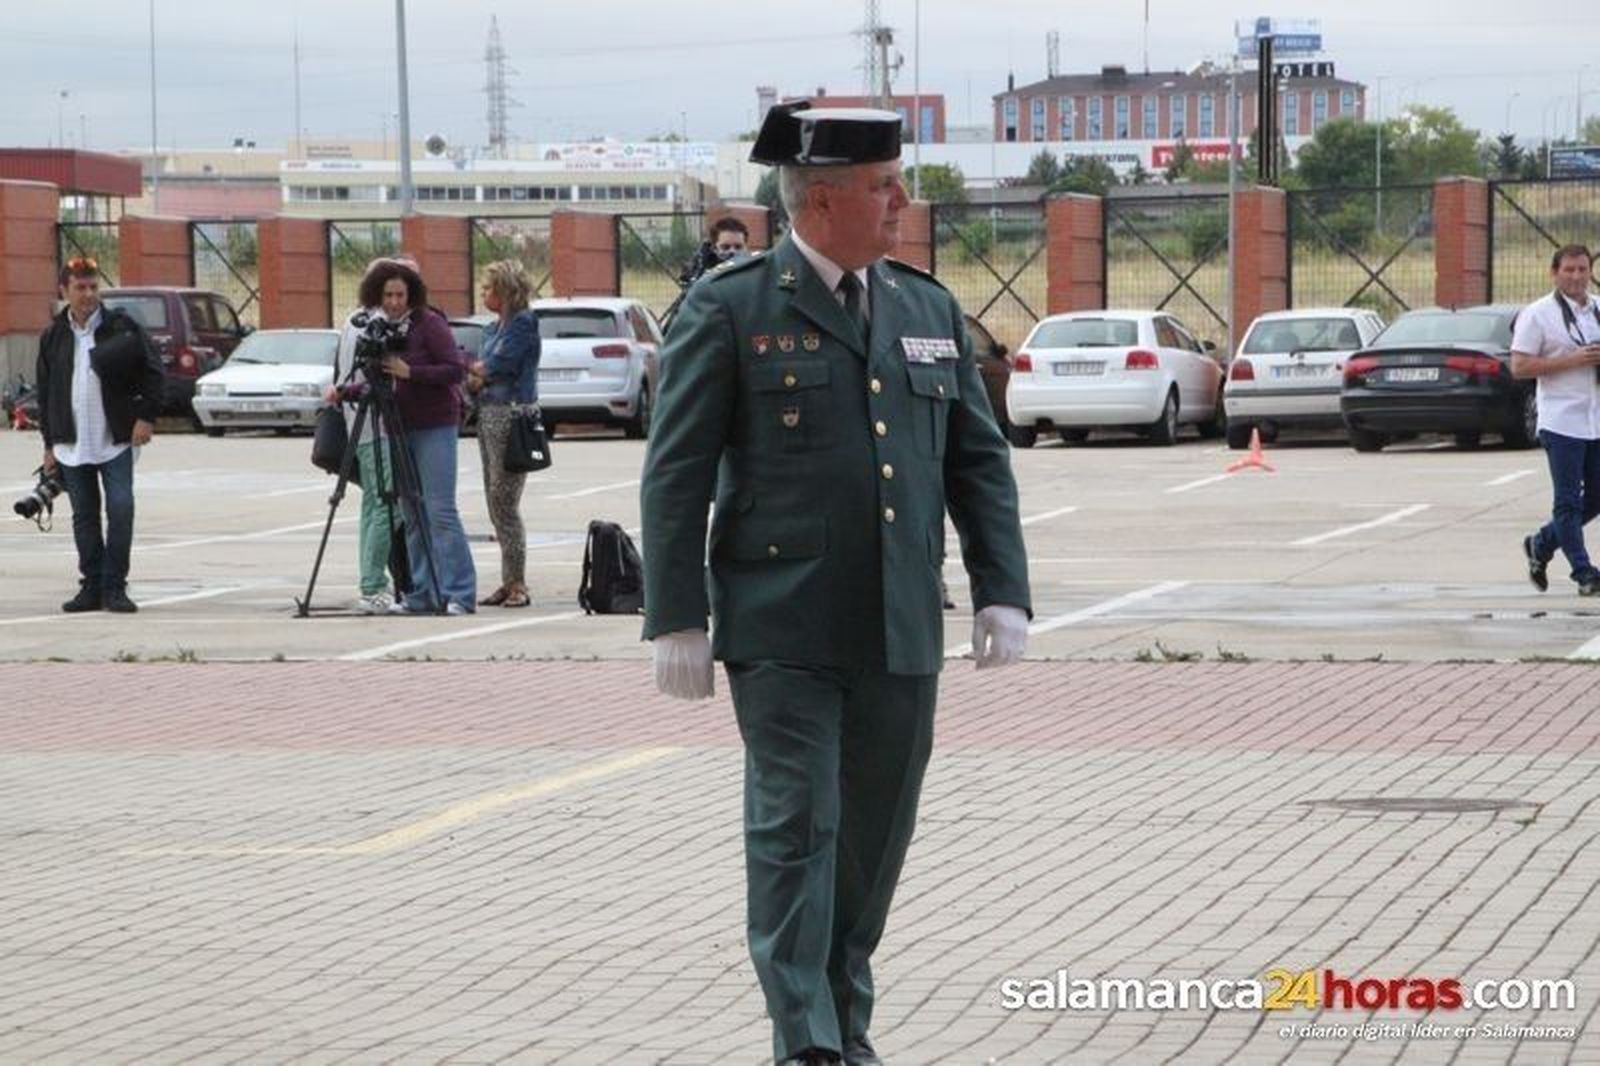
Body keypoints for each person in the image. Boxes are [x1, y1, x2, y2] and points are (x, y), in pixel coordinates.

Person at [640, 104, 1032, 1066]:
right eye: (882, 187)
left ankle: (845, 1027)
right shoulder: (732, 307)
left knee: (871, 844)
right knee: (797, 828)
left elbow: (977, 461)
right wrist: (676, 616)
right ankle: (807, 1040)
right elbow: (676, 470)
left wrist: (1002, 587)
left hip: (900, 624)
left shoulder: (924, 307)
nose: (901, 202)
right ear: (821, 198)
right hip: (783, 627)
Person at [341, 259, 477, 615]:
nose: (394, 302)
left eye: (400, 295)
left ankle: (460, 593)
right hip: (399, 425)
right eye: (388, 295)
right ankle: (423, 592)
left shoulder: (429, 323)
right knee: (412, 513)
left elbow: (453, 370)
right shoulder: (380, 328)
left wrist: (411, 372)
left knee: (440, 510)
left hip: (435, 425)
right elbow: (379, 378)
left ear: (411, 294)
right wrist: (346, 392)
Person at [36, 256, 164, 614]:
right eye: (80, 288)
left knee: (121, 508)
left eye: (93, 287)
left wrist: (145, 417)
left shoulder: (121, 327)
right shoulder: (54, 336)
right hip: (71, 443)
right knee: (84, 515)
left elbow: (154, 373)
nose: (88, 294)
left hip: (115, 440)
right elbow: (46, 394)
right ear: (64, 291)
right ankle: (91, 585)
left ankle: (115, 586)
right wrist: (49, 445)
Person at [1512, 243, 1600, 596]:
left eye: (1582, 269)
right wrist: (1572, 360)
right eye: (1569, 270)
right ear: (1554, 273)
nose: (1577, 276)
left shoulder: (1598, 310)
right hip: (1561, 420)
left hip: (1595, 419)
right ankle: (1583, 572)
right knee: (1568, 500)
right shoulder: (1538, 314)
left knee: (1596, 497)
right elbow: (1519, 366)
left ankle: (1542, 543)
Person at [325, 259, 401, 614]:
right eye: (392, 292)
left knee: (374, 504)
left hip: (360, 421)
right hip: (376, 423)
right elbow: (370, 377)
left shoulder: (353, 320)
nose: (398, 300)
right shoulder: (373, 324)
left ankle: (373, 580)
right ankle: (373, 584)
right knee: (385, 505)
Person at [467, 260, 541, 608]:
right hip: (487, 413)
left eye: (488, 288)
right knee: (493, 499)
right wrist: (479, 373)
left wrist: (480, 372)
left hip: (511, 416)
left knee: (504, 501)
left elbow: (496, 365)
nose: (483, 294)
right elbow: (479, 371)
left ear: (506, 290)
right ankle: (508, 579)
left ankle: (518, 583)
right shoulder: (490, 329)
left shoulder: (523, 323)